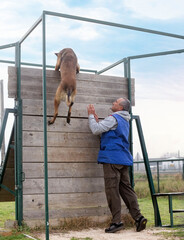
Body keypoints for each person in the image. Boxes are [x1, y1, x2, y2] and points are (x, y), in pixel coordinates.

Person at [87, 98, 147, 233]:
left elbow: (96, 130)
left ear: (120, 108)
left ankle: (117, 222)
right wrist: (97, 122)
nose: (113, 103)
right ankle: (138, 218)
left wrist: (91, 116)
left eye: (116, 102)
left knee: (112, 190)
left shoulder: (113, 118)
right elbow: (108, 133)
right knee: (126, 189)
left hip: (111, 159)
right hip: (123, 159)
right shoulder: (125, 120)